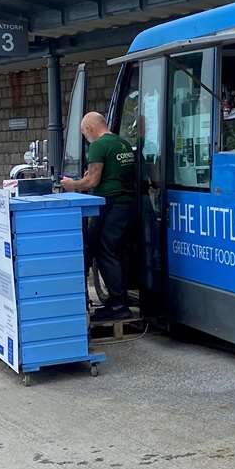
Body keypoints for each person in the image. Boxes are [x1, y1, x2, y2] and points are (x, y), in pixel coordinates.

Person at [60, 111, 136, 321]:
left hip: (109, 203)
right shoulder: (122, 144)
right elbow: (112, 174)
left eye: (84, 133)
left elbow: (92, 181)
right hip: (127, 204)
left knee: (104, 250)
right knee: (116, 250)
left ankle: (118, 305)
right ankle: (117, 300)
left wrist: (71, 185)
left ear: (90, 129)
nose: (86, 138)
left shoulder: (98, 145)